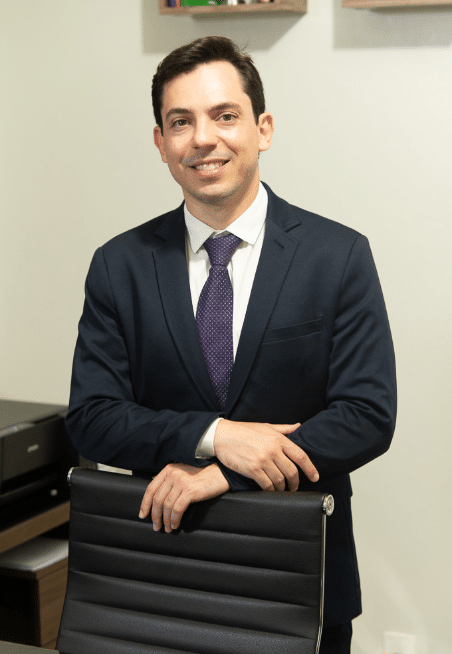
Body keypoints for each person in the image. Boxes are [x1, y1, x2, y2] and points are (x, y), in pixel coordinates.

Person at [66, 36, 396, 653]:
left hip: (300, 579)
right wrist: (217, 436)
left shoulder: (338, 256)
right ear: (160, 142)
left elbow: (366, 417)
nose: (203, 138)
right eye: (180, 122)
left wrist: (226, 473)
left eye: (224, 115)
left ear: (262, 129)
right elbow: (93, 419)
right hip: (160, 576)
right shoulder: (118, 265)